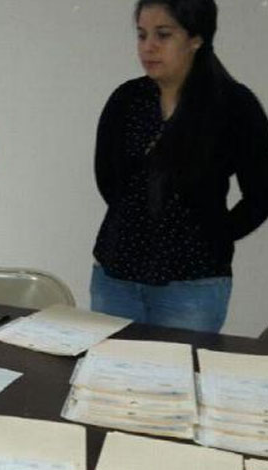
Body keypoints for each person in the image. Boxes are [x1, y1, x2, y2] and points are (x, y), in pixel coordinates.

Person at [91, 0, 268, 332]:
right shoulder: (127, 100)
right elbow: (108, 180)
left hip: (193, 285)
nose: (149, 47)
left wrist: (215, 233)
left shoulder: (233, 105)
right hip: (115, 277)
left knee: (177, 380)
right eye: (142, 35)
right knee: (110, 378)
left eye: (163, 35)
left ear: (196, 39)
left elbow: (261, 194)